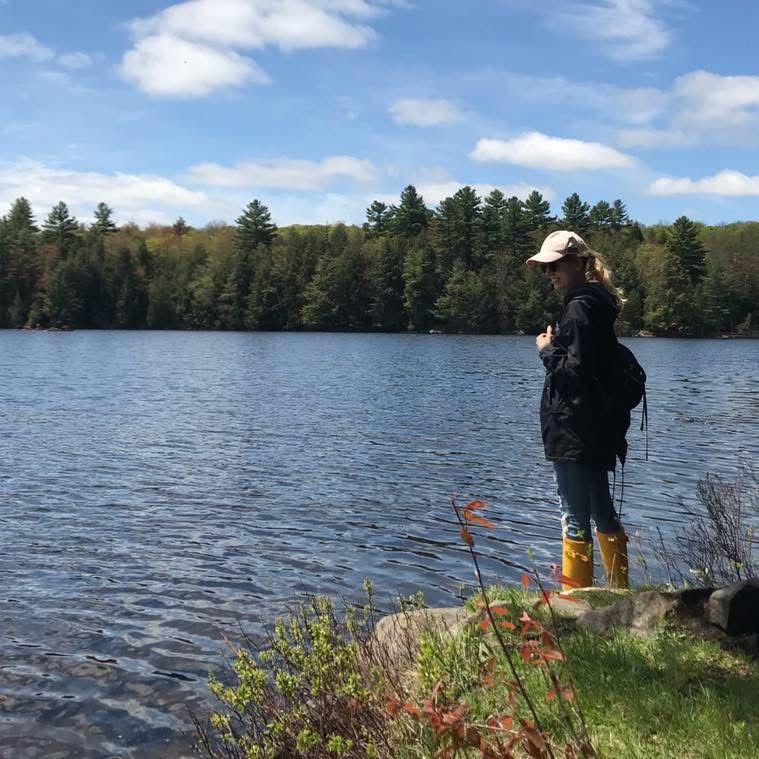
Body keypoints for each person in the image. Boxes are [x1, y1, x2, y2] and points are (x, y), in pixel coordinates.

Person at [527, 230, 629, 589]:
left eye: (554, 266)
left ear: (576, 263)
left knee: (574, 518)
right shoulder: (596, 304)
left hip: (575, 430)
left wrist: (546, 349)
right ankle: (620, 595)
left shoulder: (579, 307)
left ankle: (575, 606)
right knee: (602, 511)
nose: (549, 274)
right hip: (595, 428)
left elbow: (575, 374)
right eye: (544, 269)